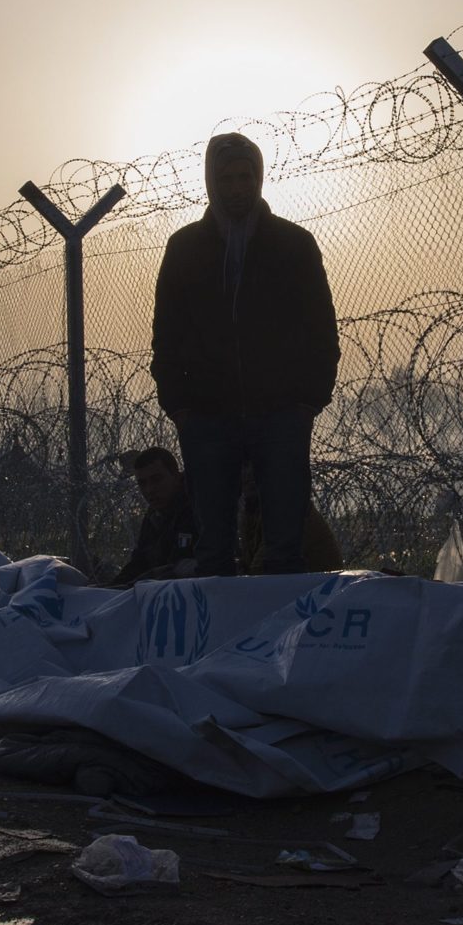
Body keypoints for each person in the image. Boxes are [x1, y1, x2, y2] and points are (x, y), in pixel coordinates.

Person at [150, 132, 341, 576]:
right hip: (207, 414)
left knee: (284, 547)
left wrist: (308, 400)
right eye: (227, 179)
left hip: (280, 413)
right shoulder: (184, 248)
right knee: (213, 548)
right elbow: (166, 333)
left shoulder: (293, 244)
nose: (237, 188)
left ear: (259, 179)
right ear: (211, 183)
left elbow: (321, 327)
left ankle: (283, 640)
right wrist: (179, 404)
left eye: (245, 177)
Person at [110, 447, 202, 585]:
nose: (149, 490)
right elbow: (140, 562)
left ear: (176, 476)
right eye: (142, 483)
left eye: (157, 479)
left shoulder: (198, 509)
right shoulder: (155, 515)